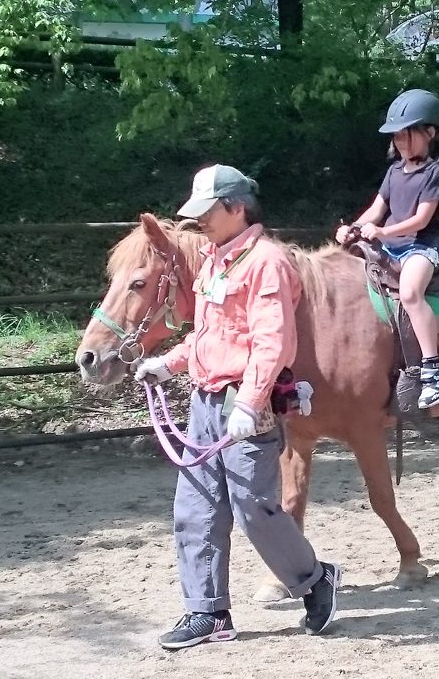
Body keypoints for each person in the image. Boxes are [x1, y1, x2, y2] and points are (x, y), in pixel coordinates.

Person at [135, 163, 341, 649]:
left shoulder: (266, 262)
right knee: (195, 508)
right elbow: (210, 336)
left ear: (237, 208)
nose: (200, 221)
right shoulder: (213, 260)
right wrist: (171, 363)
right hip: (206, 400)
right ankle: (207, 613)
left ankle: (314, 580)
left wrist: (250, 401)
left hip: (245, 402)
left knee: (253, 508)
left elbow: (271, 341)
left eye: (208, 212)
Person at [335, 88, 439, 409]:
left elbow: (420, 219)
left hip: (421, 247)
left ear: (429, 133)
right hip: (390, 247)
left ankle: (433, 367)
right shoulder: (393, 172)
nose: (400, 142)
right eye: (397, 137)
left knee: (411, 293)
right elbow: (376, 209)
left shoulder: (434, 173)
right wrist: (355, 229)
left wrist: (383, 231)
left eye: (407, 135)